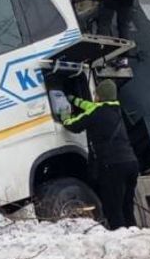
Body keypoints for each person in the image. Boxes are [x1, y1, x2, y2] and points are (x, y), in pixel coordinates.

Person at [60, 79, 140, 229]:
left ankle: (120, 236)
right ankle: (133, 233)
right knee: (127, 206)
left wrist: (65, 117)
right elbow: (89, 106)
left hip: (113, 165)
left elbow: (74, 126)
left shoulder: (96, 112)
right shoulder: (117, 109)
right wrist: (73, 99)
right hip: (131, 163)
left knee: (113, 208)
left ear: (99, 96)